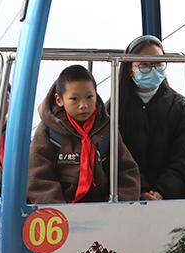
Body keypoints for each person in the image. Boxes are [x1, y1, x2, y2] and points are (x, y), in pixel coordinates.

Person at [27, 65, 140, 203]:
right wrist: (59, 212)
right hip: (61, 211)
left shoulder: (106, 129)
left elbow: (126, 171)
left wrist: (117, 205)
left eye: (89, 97)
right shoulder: (48, 131)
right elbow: (39, 177)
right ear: (59, 100)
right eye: (74, 99)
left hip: (103, 208)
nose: (83, 105)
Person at [112, 35, 185, 200]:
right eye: (144, 65)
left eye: (158, 64)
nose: (153, 70)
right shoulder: (115, 107)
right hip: (127, 193)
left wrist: (162, 191)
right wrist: (140, 190)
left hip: (169, 197)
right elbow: (116, 157)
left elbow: (183, 157)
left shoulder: (179, 106)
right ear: (130, 68)